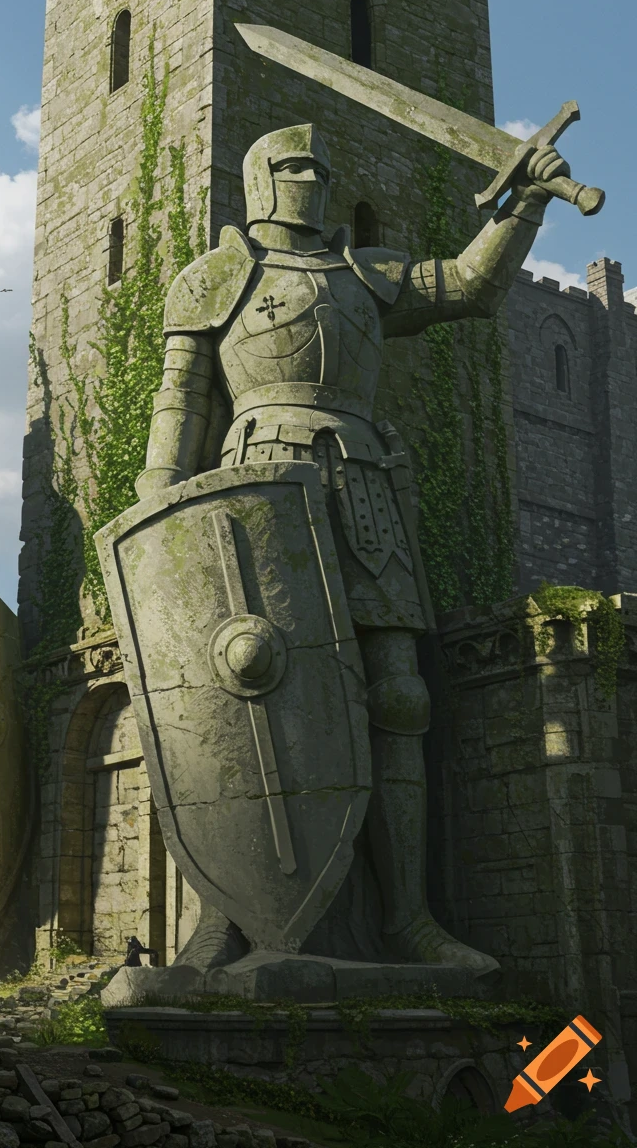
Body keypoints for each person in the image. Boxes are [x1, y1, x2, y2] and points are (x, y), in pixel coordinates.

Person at [136, 124, 568, 974]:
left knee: (399, 697)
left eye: (321, 169)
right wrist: (157, 493)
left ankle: (408, 921)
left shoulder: (368, 275)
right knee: (246, 693)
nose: (310, 179)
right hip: (260, 492)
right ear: (259, 179)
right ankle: (226, 919)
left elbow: (468, 284)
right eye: (292, 165)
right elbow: (180, 399)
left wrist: (526, 201)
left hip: (365, 486)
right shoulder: (214, 278)